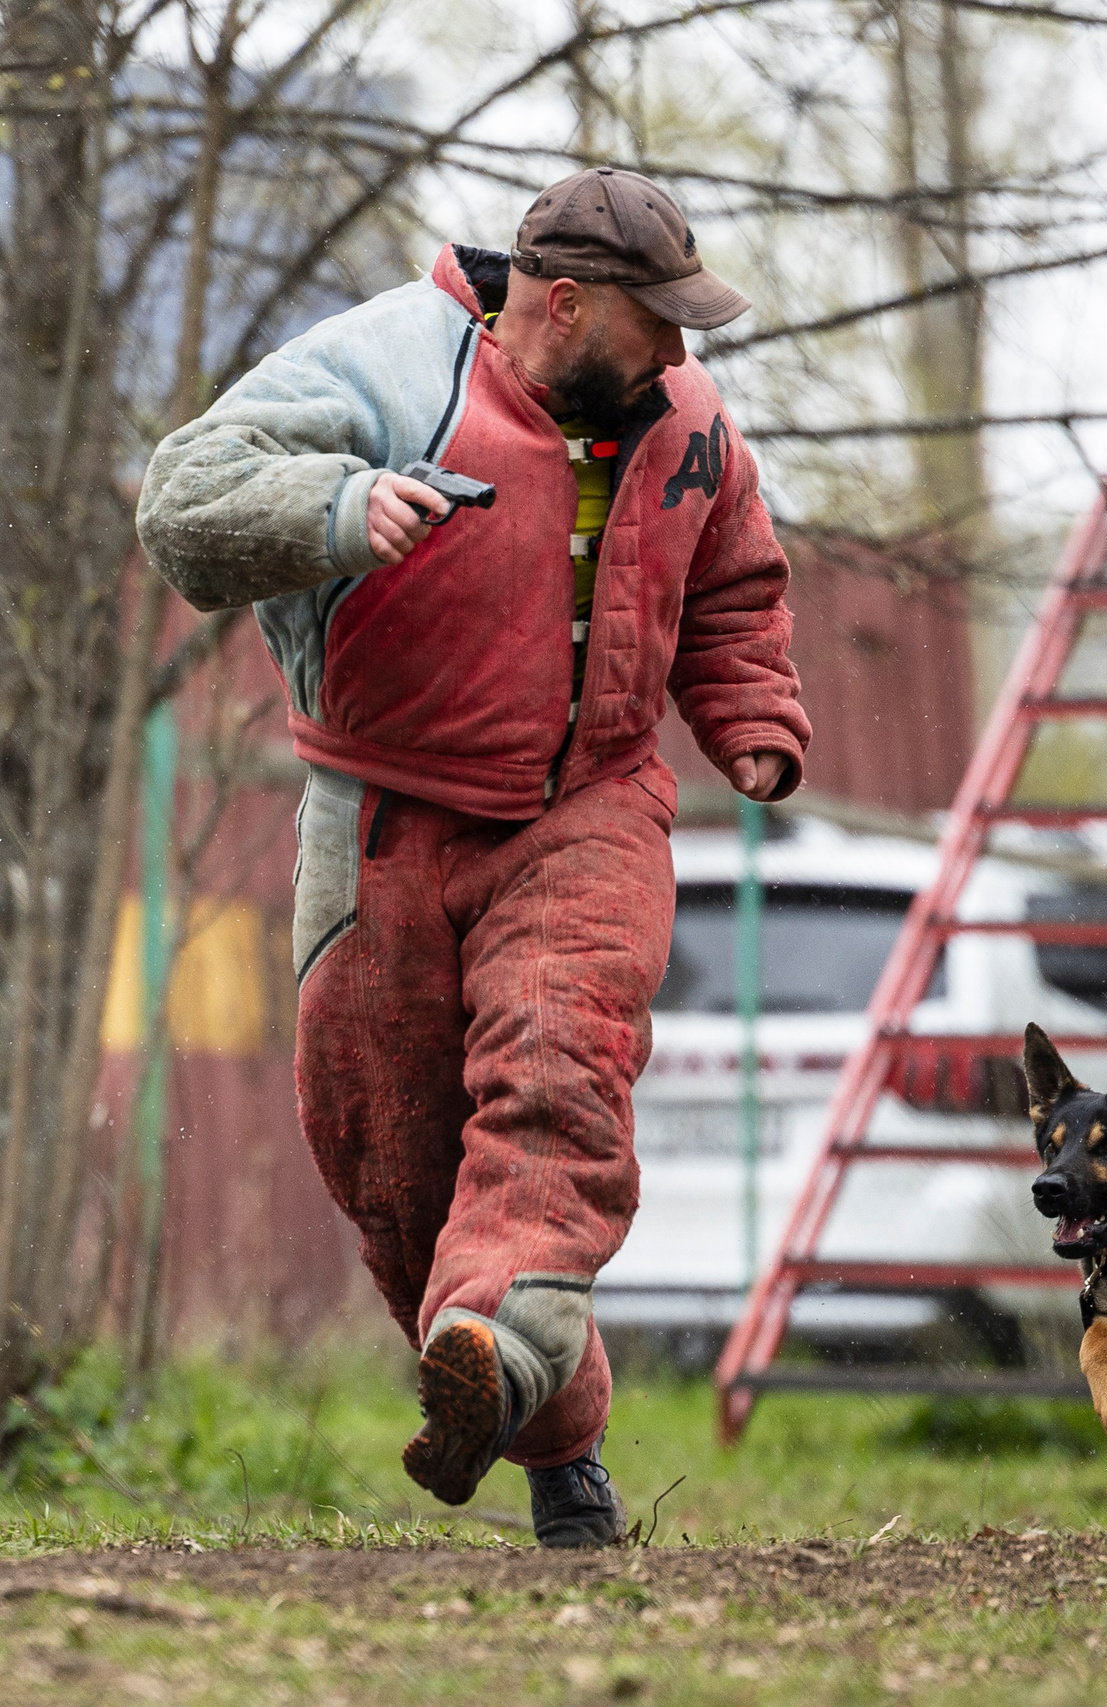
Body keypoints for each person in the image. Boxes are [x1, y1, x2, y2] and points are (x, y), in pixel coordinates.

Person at [134, 167, 809, 1548]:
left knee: (559, 1062)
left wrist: (750, 721)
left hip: (590, 805)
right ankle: (542, 1431)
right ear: (561, 303)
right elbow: (183, 508)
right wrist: (335, 508)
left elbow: (735, 579)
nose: (682, 355)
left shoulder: (686, 422)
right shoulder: (384, 367)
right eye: (656, 324)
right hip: (381, 816)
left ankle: (499, 1342)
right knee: (393, 1167)